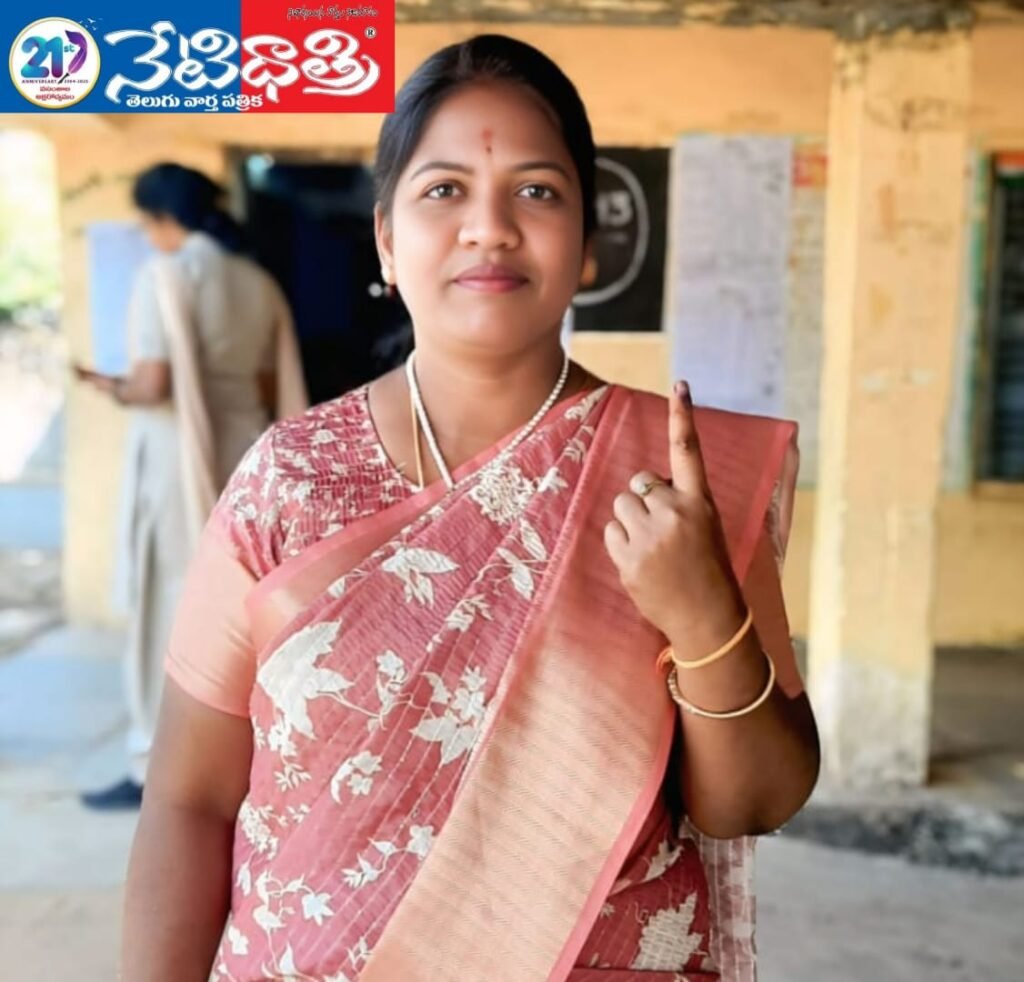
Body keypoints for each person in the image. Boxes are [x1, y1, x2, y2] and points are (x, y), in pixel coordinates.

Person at [122, 37, 819, 980]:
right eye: (443, 190)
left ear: (590, 245)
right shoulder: (290, 478)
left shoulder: (675, 475)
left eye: (536, 191)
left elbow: (754, 802)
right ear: (385, 240)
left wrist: (703, 616)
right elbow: (189, 799)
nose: (489, 227)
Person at [75, 163, 308, 810]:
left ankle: (156, 762)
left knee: (168, 608)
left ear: (162, 221)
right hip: (247, 459)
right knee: (242, 612)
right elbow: (268, 388)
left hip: (180, 461)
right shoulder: (258, 283)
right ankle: (245, 761)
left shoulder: (166, 277)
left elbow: (152, 385)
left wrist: (109, 386)